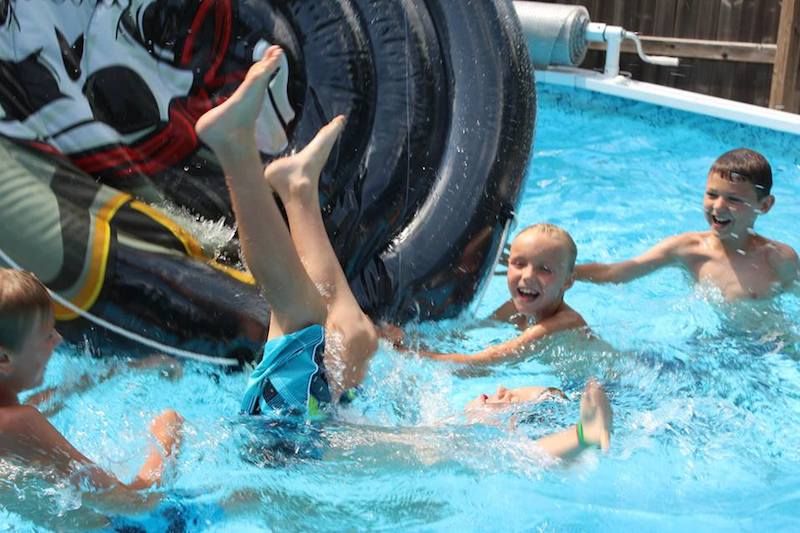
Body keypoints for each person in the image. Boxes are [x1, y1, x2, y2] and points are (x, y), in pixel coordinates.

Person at [194, 45, 378, 417]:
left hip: (280, 442)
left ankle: (235, 146)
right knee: (357, 335)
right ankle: (298, 190)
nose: (501, 393)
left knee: (302, 319)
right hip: (316, 427)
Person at [0, 268, 183, 516]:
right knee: (247, 498)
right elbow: (134, 504)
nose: (58, 340)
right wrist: (167, 432)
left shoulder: (11, 417)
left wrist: (134, 368)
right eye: (47, 335)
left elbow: (58, 395)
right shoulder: (22, 423)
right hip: (127, 528)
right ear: (4, 359)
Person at [575, 148, 799, 300]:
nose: (718, 207)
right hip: (708, 344)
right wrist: (567, 273)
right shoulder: (687, 249)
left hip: (766, 344)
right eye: (712, 194)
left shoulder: (779, 258)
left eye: (734, 199)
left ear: (765, 205)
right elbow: (616, 272)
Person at [387, 223, 589, 366]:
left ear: (568, 281)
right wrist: (408, 337)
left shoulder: (564, 322)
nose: (527, 276)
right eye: (519, 264)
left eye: (544, 269)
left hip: (604, 387)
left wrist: (404, 354)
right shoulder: (515, 307)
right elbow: (465, 332)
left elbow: (482, 364)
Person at [465, 379, 612, 459]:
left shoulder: (480, 448)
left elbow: (529, 453)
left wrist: (584, 435)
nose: (501, 389)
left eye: (511, 399)